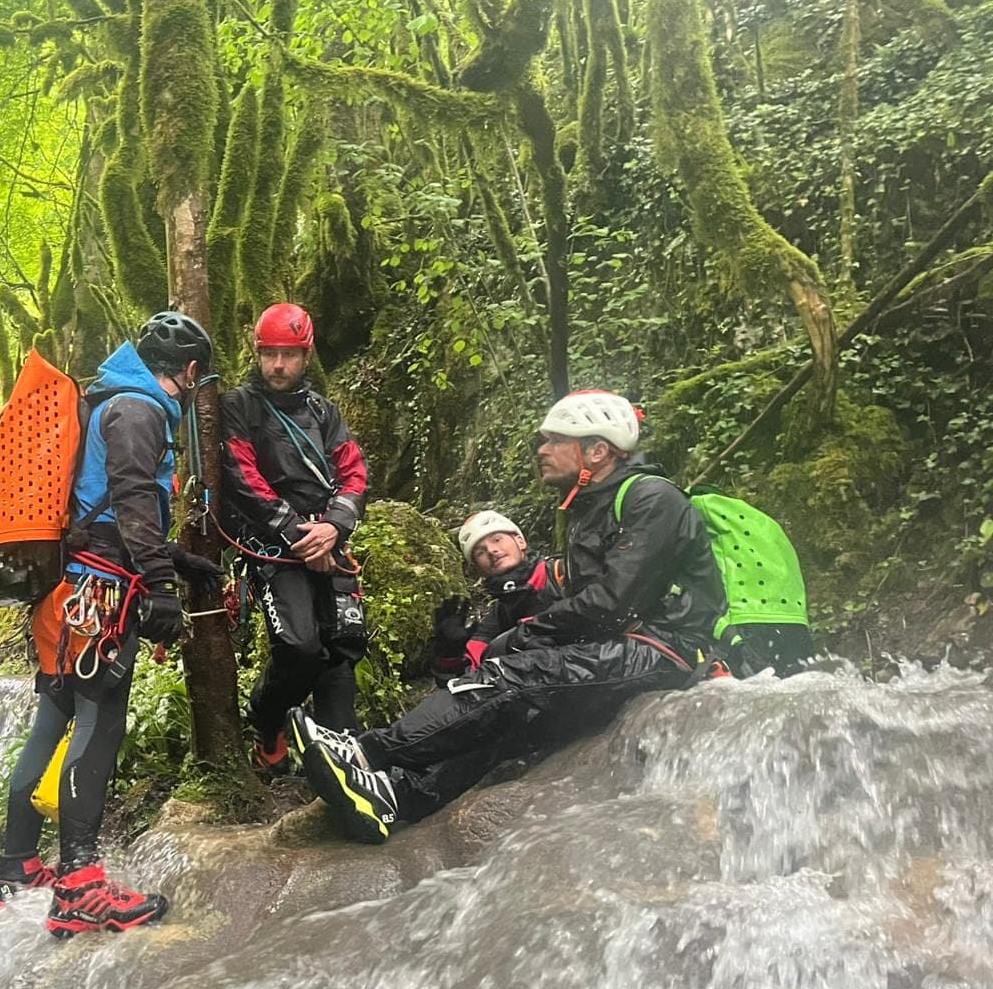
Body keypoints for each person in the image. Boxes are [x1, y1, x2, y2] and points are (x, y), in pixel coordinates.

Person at [290, 389, 727, 844]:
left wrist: (522, 638)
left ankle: (365, 752)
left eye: (554, 440)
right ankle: (395, 796)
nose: (540, 450)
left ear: (596, 451)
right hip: (626, 651)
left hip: (662, 651)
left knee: (513, 676)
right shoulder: (590, 511)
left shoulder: (651, 498)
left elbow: (615, 603)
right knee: (505, 719)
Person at [0, 311, 222, 936]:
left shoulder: (107, 403)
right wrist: (164, 588)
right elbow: (132, 500)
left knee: (55, 715)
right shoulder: (141, 411)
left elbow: (103, 510)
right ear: (190, 372)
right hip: (100, 595)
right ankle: (80, 886)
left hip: (63, 591)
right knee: (100, 720)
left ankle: (15, 864)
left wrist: (180, 561)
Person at [220, 302, 369, 773]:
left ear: (306, 357)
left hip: (326, 537)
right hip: (272, 545)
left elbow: (354, 473)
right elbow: (242, 476)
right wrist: (299, 535)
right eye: (269, 354)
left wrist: (332, 528)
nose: (278, 365)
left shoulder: (323, 411)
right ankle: (267, 723)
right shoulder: (237, 406)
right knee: (301, 646)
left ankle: (340, 750)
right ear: (257, 354)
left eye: (288, 354)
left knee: (343, 643)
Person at [429, 509, 566, 682]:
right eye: (480, 551)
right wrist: (449, 653)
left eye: (497, 539)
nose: (492, 550)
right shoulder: (499, 616)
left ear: (520, 541)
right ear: (477, 568)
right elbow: (460, 680)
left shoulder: (563, 574)